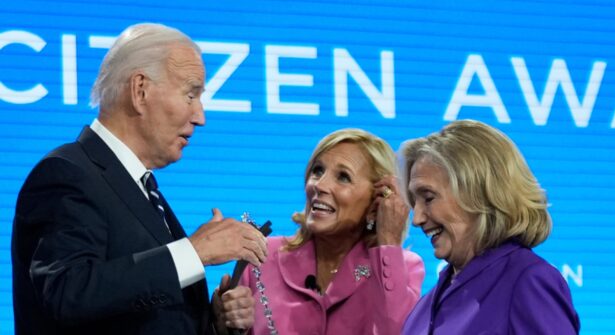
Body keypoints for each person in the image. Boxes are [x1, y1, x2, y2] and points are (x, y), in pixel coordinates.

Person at [11, 23, 266, 335]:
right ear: (140, 90)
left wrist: (214, 322)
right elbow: (68, 293)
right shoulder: (66, 174)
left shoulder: (141, 189)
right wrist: (195, 251)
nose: (201, 116)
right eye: (190, 94)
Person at [215, 128, 425, 334]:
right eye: (317, 171)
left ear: (376, 201)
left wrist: (388, 241)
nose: (319, 185)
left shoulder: (403, 267)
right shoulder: (261, 255)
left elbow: (396, 330)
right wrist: (225, 325)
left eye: (343, 177)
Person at [400, 120, 580, 334]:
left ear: (478, 193)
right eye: (414, 202)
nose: (417, 218)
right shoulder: (425, 306)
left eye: (428, 198)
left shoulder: (527, 282)